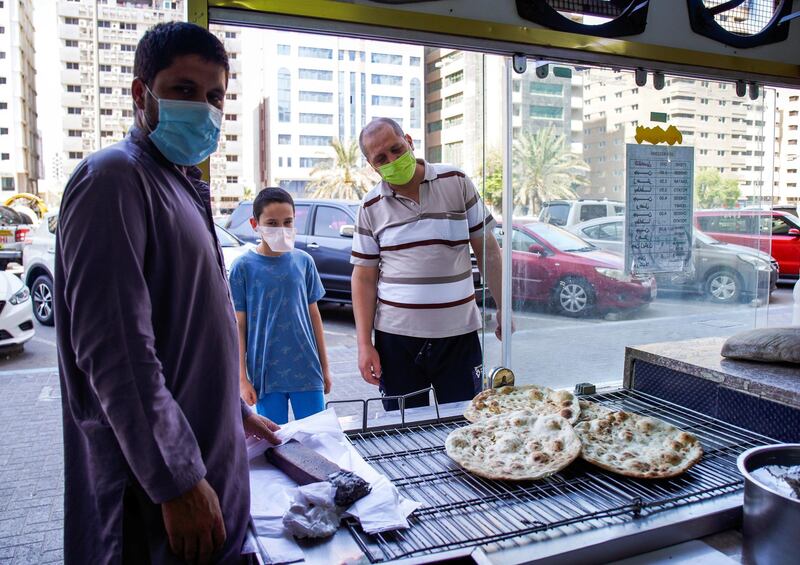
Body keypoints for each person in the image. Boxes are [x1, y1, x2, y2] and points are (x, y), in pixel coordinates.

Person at [55, 22, 279, 565]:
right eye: (183, 90)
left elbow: (187, 332)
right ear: (141, 94)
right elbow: (118, 353)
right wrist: (176, 480)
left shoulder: (179, 183)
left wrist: (232, 410)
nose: (203, 109)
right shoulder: (113, 180)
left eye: (215, 97)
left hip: (208, 477)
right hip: (153, 501)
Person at [351, 118, 506, 410]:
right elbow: (363, 279)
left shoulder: (456, 182)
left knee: (466, 423)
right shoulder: (370, 207)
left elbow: (488, 251)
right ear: (373, 166)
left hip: (459, 336)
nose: (393, 160)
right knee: (404, 431)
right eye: (381, 158)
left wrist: (503, 307)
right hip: (396, 343)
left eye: (396, 149)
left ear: (409, 141)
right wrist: (364, 345)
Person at [230, 187, 332, 424]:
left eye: (288, 222)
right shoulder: (242, 267)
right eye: (272, 223)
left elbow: (314, 315)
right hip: (265, 374)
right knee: (273, 442)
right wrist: (242, 378)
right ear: (255, 223)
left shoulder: (304, 262)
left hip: (307, 370)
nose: (281, 229)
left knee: (316, 437)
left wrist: (325, 368)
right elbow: (239, 325)